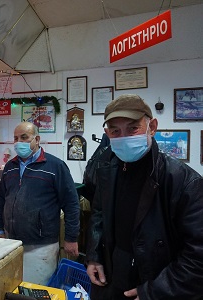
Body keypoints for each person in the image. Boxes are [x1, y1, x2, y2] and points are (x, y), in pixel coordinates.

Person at [85, 94, 203, 299]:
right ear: (107, 134)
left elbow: (198, 255)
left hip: (156, 284)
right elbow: (98, 214)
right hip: (111, 281)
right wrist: (94, 257)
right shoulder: (106, 169)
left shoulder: (183, 181)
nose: (124, 137)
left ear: (152, 127)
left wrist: (156, 291)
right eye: (115, 131)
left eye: (133, 128)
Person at [0, 121, 80, 285]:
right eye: (16, 138)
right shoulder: (10, 166)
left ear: (37, 139)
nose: (19, 142)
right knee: (15, 289)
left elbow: (71, 204)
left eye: (24, 137)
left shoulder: (55, 166)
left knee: (37, 290)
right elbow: (2, 198)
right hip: (12, 242)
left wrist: (71, 237)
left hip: (41, 246)